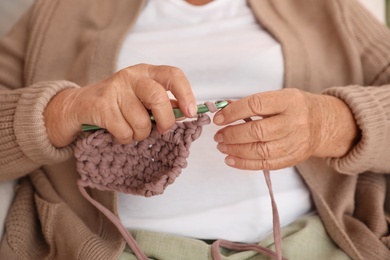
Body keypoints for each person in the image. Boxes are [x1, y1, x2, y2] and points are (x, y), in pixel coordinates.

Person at [0, 0, 389, 259]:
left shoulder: (323, 8)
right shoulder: (61, 12)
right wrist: (62, 111)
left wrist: (334, 123)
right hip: (112, 247)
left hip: (309, 243)